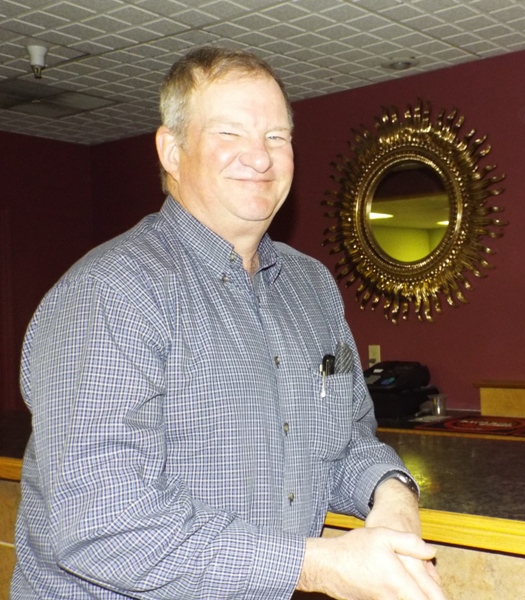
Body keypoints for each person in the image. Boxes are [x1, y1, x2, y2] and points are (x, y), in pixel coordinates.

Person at [12, 46, 446, 600]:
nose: (260, 158)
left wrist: (394, 493)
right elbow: (104, 524)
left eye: (276, 136)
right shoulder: (111, 292)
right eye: (229, 133)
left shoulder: (311, 286)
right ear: (172, 151)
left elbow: (345, 440)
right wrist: (318, 566)